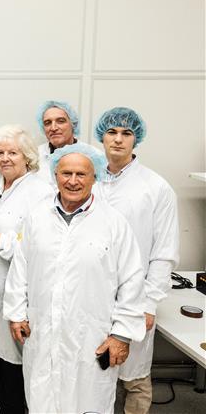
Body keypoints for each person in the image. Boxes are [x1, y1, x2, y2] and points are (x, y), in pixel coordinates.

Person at [3, 143, 146, 414]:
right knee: (42, 398)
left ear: (95, 177)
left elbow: (132, 281)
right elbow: (20, 268)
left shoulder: (113, 223)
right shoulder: (37, 217)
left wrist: (122, 335)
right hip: (43, 331)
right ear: (55, 175)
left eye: (81, 174)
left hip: (92, 336)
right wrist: (16, 314)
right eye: (66, 173)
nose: (72, 181)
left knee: (88, 401)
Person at [93, 108, 180, 414]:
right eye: (112, 132)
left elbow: (164, 251)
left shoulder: (155, 187)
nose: (118, 139)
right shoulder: (90, 179)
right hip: (93, 291)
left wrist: (150, 302)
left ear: (136, 139)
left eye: (126, 133)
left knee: (135, 375)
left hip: (136, 295)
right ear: (101, 136)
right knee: (96, 368)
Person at [0, 126, 52, 413]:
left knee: (16, 344)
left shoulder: (40, 191)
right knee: (0, 342)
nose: (5, 158)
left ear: (27, 156)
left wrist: (3, 241)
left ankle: (14, 405)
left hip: (17, 278)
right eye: (0, 152)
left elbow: (42, 243)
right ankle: (4, 393)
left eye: (12, 152)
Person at [35, 100, 91, 186]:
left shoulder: (91, 155)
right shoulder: (35, 156)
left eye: (60, 121)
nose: (53, 128)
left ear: (73, 124)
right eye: (47, 123)